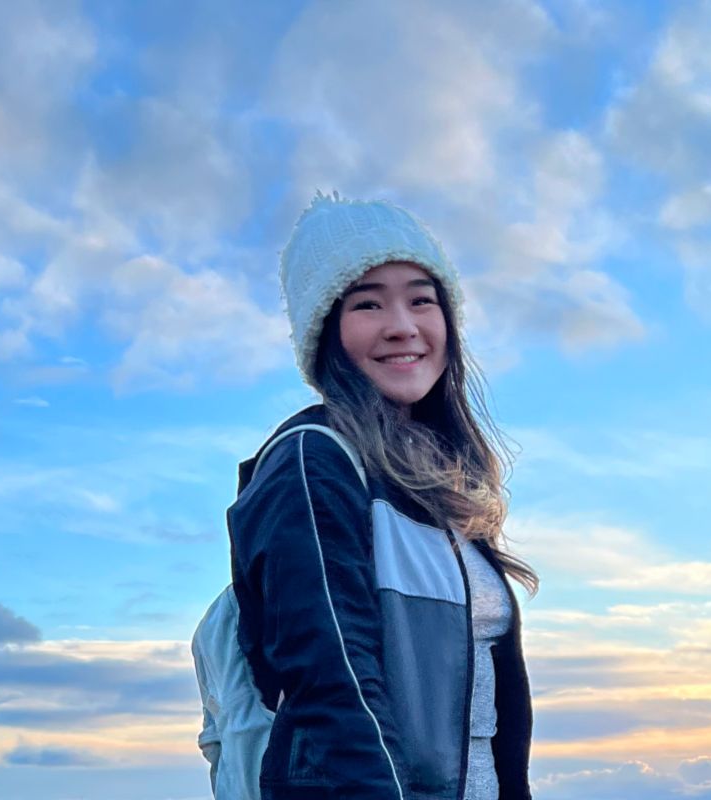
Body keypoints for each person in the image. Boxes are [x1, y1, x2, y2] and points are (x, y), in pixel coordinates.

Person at [205, 191, 538, 800]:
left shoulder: (448, 487)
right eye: (367, 303)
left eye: (421, 299)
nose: (402, 326)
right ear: (326, 331)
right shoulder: (315, 461)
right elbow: (333, 685)